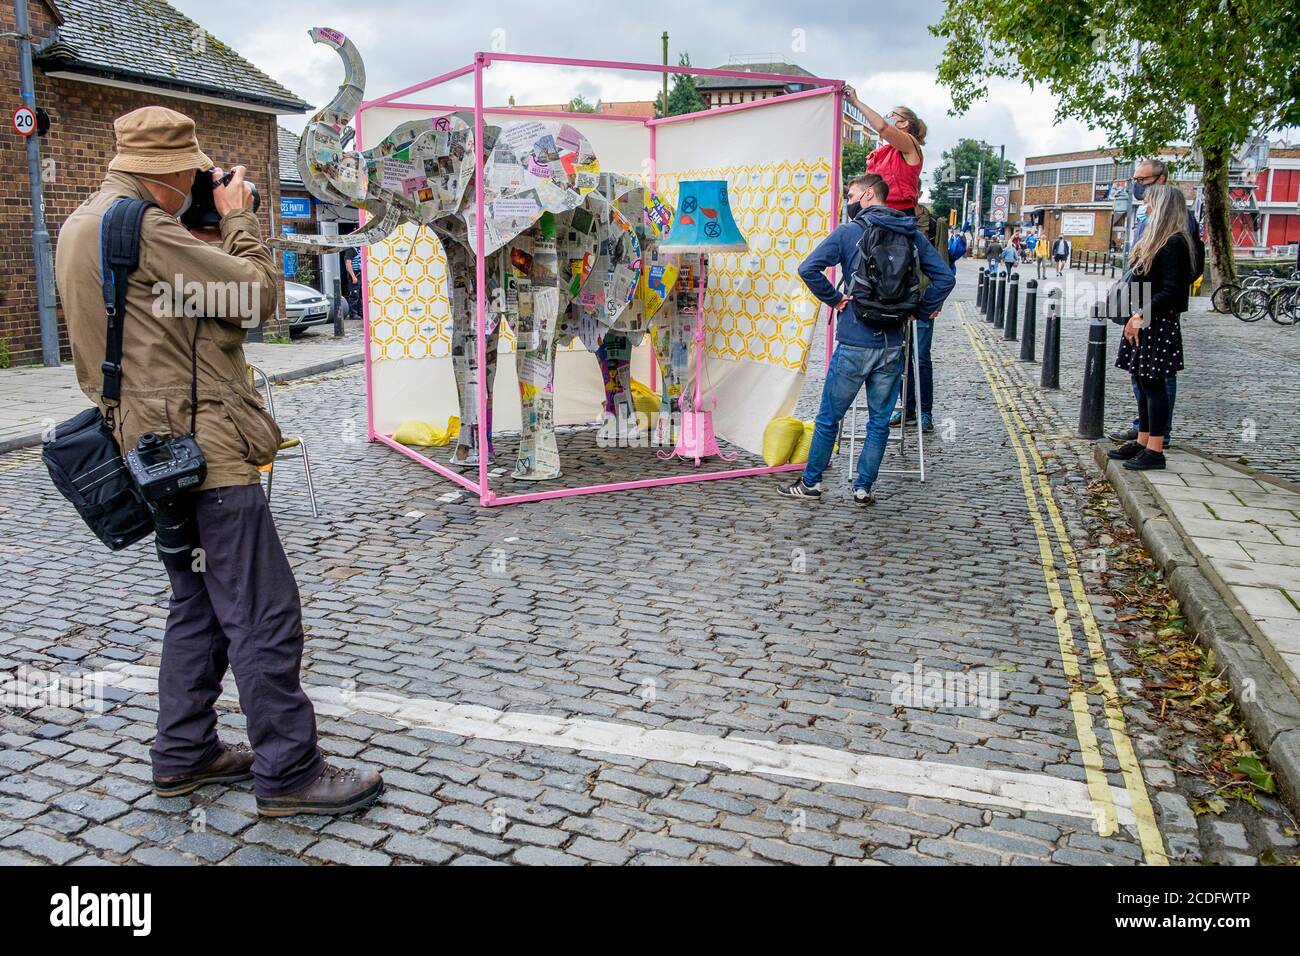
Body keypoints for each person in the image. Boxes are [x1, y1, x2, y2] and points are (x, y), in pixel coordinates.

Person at [54, 107, 384, 816]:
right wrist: (237, 221)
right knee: (263, 610)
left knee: (197, 603)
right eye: (197, 174)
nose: (206, 182)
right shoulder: (143, 226)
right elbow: (258, 298)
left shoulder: (87, 221)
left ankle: (184, 752)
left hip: (148, 449)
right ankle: (291, 773)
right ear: (169, 173)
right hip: (203, 452)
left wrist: (197, 236)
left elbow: (163, 310)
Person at [782, 173, 954, 503]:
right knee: (878, 422)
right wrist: (919, 309)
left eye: (851, 193)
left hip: (854, 341)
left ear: (869, 195)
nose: (848, 199)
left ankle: (811, 483)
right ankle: (863, 488)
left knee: (829, 417)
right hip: (892, 344)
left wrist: (834, 298)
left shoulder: (849, 232)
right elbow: (944, 277)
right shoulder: (911, 234)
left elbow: (808, 269)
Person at [1108, 157, 1205, 446]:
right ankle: (1144, 434)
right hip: (1142, 307)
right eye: (1136, 180)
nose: (1138, 187)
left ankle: (1158, 437)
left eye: (1142, 181)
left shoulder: (1177, 221)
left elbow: (1181, 273)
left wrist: (1152, 305)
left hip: (1156, 310)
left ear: (1160, 180)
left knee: (1157, 378)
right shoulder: (1145, 218)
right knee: (1142, 376)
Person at [859, 105, 926, 215]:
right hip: (874, 211)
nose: (886, 117)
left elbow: (882, 128)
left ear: (904, 123)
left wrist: (855, 101)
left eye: (891, 115)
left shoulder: (910, 145)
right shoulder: (883, 152)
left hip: (897, 214)